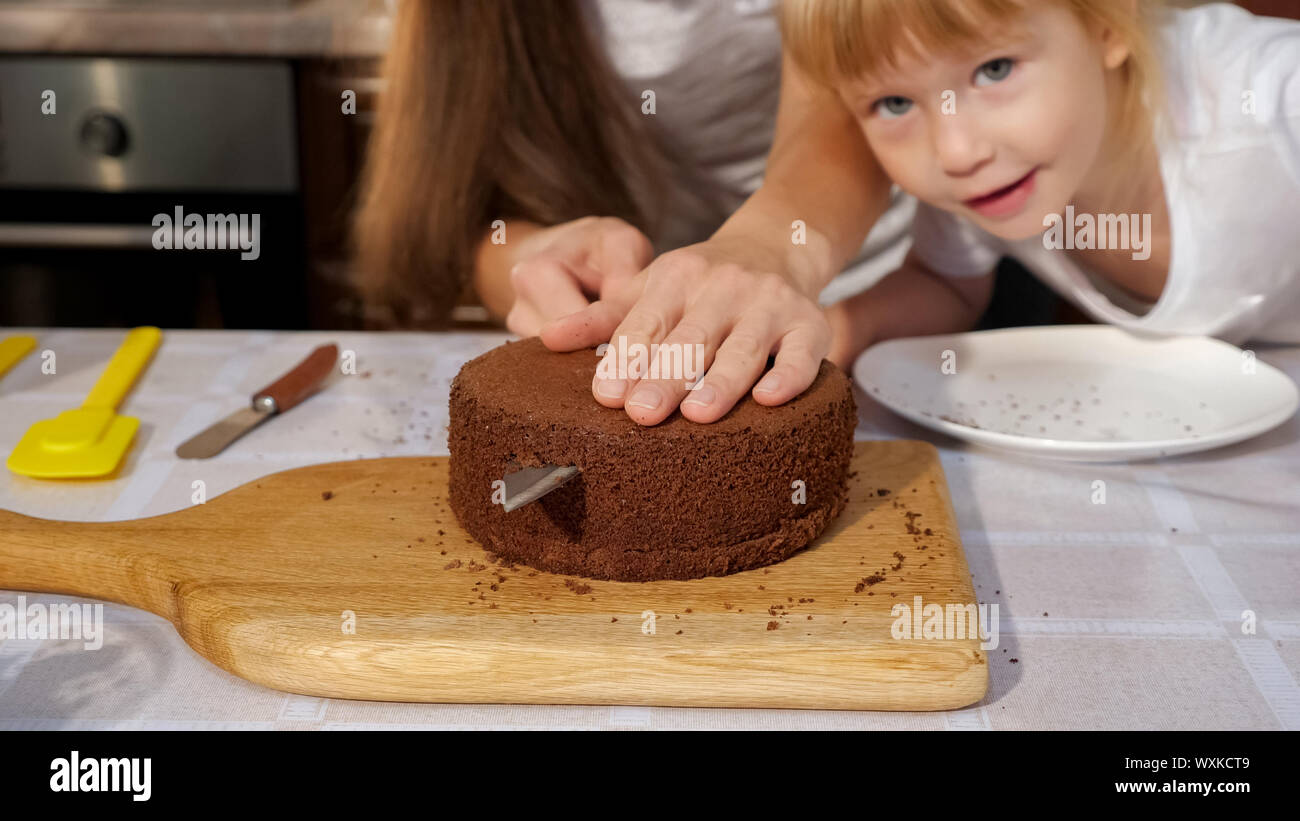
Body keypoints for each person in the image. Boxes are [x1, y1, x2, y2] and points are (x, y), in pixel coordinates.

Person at [351, 0, 916, 427]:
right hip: (642, 336)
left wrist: (770, 249)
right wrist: (525, 260)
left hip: (870, 306)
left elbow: (864, 94)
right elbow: (464, 211)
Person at [779, 0, 1300, 364]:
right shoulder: (987, 185)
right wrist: (847, 326)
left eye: (995, 69)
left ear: (1107, 25)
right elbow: (945, 284)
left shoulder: (1272, 96)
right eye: (894, 103)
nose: (956, 152)